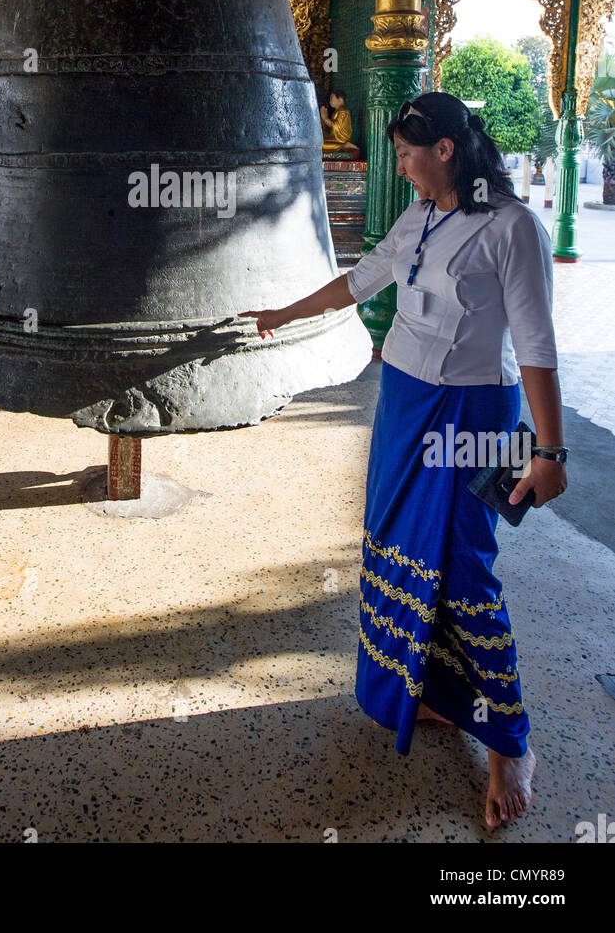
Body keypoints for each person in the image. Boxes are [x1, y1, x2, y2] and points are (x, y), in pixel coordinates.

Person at [239, 91, 567, 829]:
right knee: (396, 547)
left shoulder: (511, 228)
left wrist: (548, 451)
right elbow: (364, 279)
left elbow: (537, 350)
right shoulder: (419, 214)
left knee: (463, 565)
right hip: (403, 408)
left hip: (473, 418)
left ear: (444, 150)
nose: (399, 165)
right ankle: (437, 692)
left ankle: (510, 743)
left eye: (405, 152)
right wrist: (283, 314)